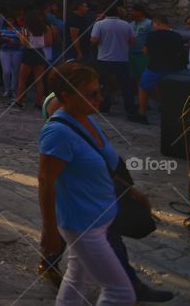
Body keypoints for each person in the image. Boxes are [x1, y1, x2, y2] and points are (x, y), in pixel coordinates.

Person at [38, 62, 137, 306]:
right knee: (120, 293)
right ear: (67, 97)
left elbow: (102, 164)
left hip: (98, 217)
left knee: (76, 280)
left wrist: (130, 191)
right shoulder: (58, 133)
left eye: (99, 90)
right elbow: (46, 181)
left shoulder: (85, 119)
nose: (100, 97)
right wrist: (49, 230)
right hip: (83, 224)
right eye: (92, 93)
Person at [90, 4, 140, 120]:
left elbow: (94, 40)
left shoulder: (99, 24)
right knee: (126, 85)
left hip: (104, 59)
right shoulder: (126, 25)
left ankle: (104, 106)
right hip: (121, 59)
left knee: (103, 84)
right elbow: (133, 41)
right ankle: (129, 108)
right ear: (117, 13)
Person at [136, 15, 186, 123]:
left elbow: (145, 51)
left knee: (143, 88)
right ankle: (169, 107)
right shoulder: (177, 36)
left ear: (157, 23)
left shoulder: (152, 35)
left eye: (153, 24)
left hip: (155, 67)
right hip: (173, 68)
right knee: (171, 90)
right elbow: (181, 52)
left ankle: (142, 114)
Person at [15, 10, 53, 109]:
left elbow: (25, 44)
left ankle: (19, 100)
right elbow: (49, 42)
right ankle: (38, 102)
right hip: (40, 52)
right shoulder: (46, 28)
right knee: (39, 80)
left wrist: (19, 36)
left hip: (29, 53)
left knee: (22, 79)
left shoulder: (26, 29)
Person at [0, 15, 24, 100]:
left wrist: (14, 42)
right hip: (4, 50)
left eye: (11, 20)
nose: (10, 22)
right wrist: (3, 39)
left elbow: (22, 42)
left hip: (17, 50)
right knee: (6, 70)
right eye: (8, 20)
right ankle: (7, 89)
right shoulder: (2, 29)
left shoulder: (19, 30)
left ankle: (13, 90)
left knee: (15, 71)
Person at [128, 4, 153, 85]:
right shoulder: (131, 24)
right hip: (132, 54)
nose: (130, 13)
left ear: (140, 12)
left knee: (147, 76)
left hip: (144, 55)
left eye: (132, 11)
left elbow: (153, 38)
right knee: (136, 76)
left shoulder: (149, 23)